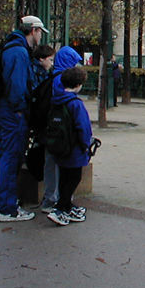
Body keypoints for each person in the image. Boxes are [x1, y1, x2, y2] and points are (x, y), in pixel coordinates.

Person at [0, 15, 48, 222]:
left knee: (3, 154)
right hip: (13, 112)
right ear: (33, 30)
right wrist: (21, 109)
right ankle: (8, 208)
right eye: (40, 32)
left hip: (4, 109)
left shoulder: (11, 47)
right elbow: (17, 85)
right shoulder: (19, 52)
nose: (40, 37)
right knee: (11, 156)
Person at [38, 46, 83, 214]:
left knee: (51, 163)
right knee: (58, 165)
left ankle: (53, 199)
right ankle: (57, 201)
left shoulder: (53, 76)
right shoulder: (62, 80)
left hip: (51, 128)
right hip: (60, 130)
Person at [47, 67, 93, 226]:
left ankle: (66, 205)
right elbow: (83, 127)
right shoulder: (76, 104)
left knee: (64, 177)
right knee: (74, 178)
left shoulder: (56, 101)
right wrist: (86, 144)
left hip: (59, 146)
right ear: (79, 85)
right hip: (74, 147)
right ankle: (60, 208)